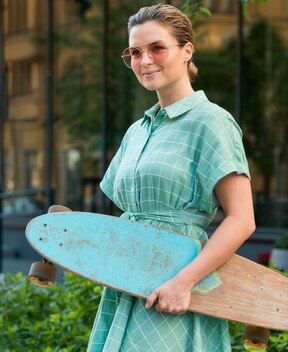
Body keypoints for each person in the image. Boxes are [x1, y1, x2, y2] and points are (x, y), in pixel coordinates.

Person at [87, 4, 255, 351]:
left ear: (186, 51)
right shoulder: (137, 130)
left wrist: (184, 282)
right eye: (135, 52)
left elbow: (242, 220)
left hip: (177, 281)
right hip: (127, 283)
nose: (144, 60)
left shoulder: (212, 122)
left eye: (157, 48)